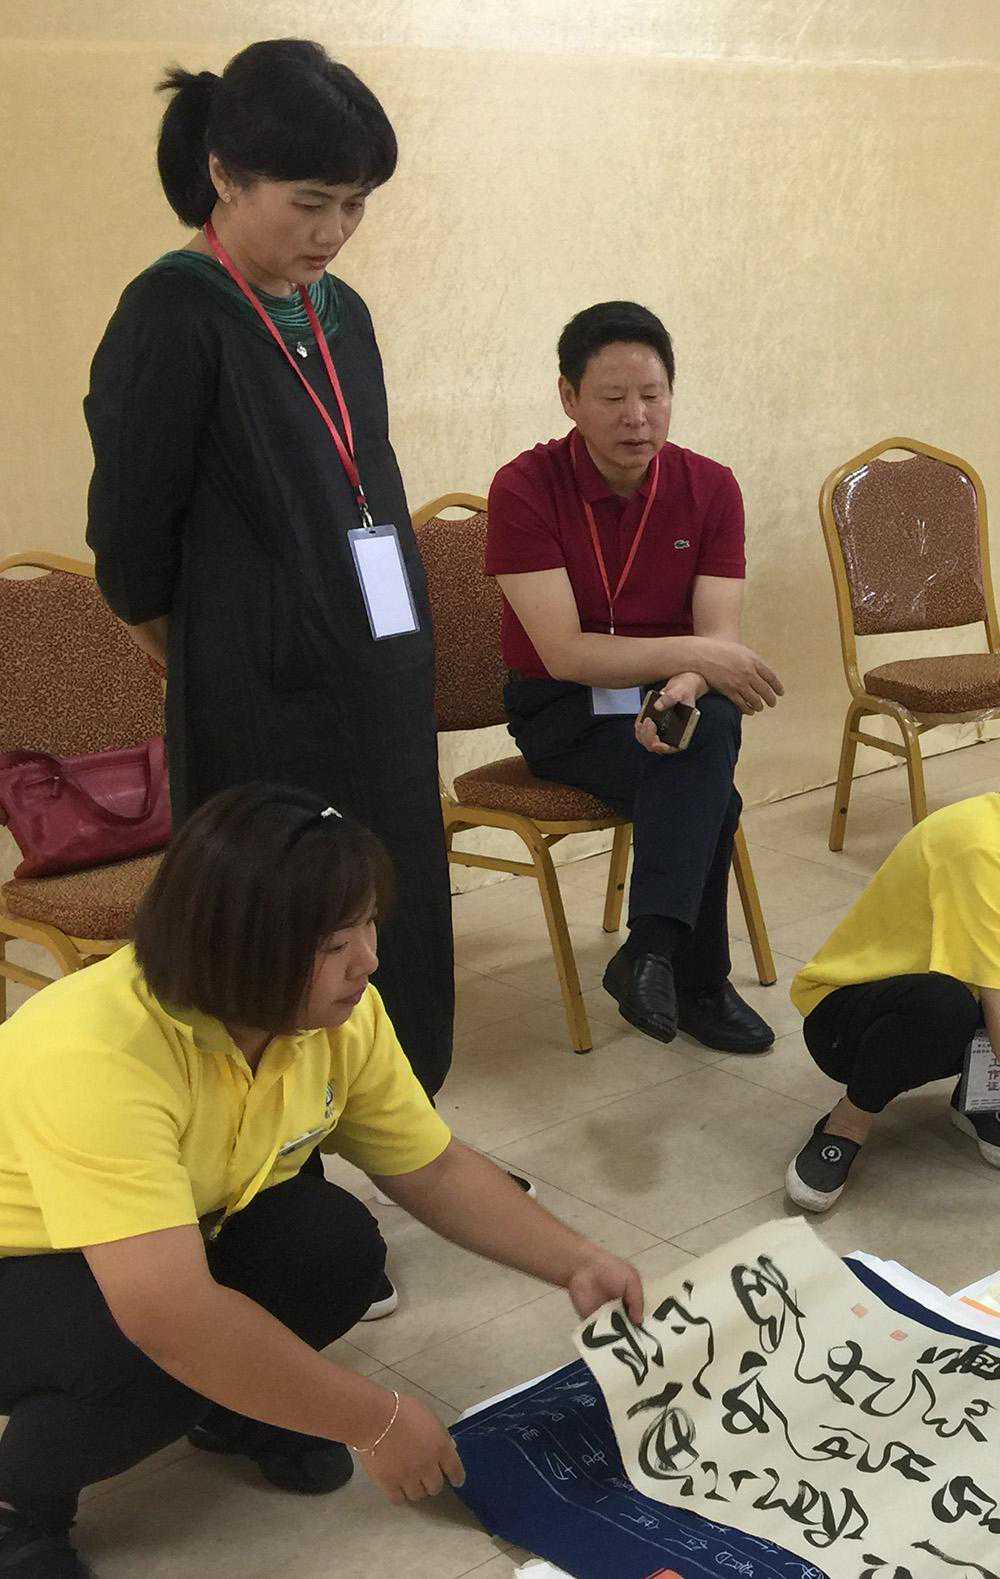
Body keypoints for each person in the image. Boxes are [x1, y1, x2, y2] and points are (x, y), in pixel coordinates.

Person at [0, 785, 644, 1579]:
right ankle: (19, 1501)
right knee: (137, 1347)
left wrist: (577, 1261)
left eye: (367, 924)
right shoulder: (98, 1050)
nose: (368, 959)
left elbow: (434, 1167)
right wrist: (374, 1419)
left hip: (160, 1232)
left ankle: (235, 1411)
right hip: (18, 1263)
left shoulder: (331, 1016)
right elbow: (168, 1314)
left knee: (333, 1245)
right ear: (234, 947)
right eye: (336, 942)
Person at [84, 39, 453, 1101]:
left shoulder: (343, 315)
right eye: (310, 203)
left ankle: (399, 1125)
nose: (333, 233)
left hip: (381, 685)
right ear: (225, 176)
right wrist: (220, 653)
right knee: (281, 943)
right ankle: (280, 1161)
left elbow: (367, 487)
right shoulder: (173, 312)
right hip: (263, 707)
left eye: (355, 205)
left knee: (392, 927)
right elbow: (131, 544)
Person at [485, 301, 783, 1054]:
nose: (637, 417)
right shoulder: (524, 487)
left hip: (667, 693)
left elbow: (716, 638)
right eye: (613, 397)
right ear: (569, 397)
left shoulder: (711, 487)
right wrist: (700, 660)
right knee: (711, 790)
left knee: (708, 727)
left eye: (653, 395)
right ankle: (696, 981)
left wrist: (690, 680)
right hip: (564, 709)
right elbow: (564, 653)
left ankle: (651, 956)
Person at [786, 792, 1000, 1212]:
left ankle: (977, 1096)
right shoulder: (980, 847)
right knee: (944, 1004)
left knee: (953, 1002)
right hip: (850, 1016)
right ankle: (847, 1123)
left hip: (958, 1001)